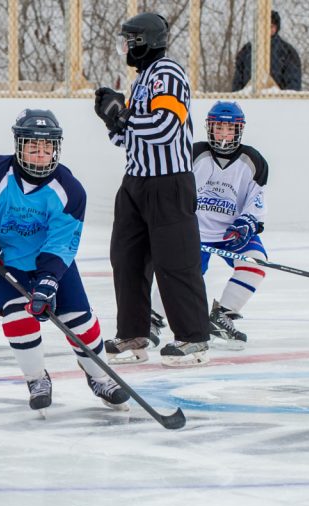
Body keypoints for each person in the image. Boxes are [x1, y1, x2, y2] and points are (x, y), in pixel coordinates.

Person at [0, 108, 130, 413]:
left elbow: (61, 242)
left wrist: (48, 280)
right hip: (4, 260)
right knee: (17, 317)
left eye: (47, 147)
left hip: (49, 258)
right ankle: (36, 379)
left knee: (79, 319)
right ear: (19, 146)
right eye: (33, 146)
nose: (41, 153)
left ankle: (100, 377)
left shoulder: (69, 190)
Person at [93, 12, 210, 367]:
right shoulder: (141, 80)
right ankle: (133, 334)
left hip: (168, 182)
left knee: (176, 262)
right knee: (126, 259)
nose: (125, 48)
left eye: (129, 41)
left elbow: (165, 127)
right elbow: (125, 139)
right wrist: (112, 118)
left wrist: (125, 117)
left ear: (144, 42)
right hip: (135, 182)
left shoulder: (167, 74)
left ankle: (193, 338)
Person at [152, 101, 268, 350]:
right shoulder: (193, 154)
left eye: (230, 129)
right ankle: (151, 318)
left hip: (231, 233)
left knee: (256, 262)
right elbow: (174, 190)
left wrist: (246, 223)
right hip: (194, 231)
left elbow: (256, 201)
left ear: (239, 130)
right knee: (177, 272)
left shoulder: (253, 161)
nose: (224, 134)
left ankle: (222, 316)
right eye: (219, 128)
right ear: (210, 128)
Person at [232, 10, 301, 91]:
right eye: (264, 26)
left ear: (276, 28)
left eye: (271, 26)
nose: (267, 29)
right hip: (251, 95)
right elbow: (238, 80)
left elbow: (293, 82)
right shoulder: (247, 50)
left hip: (278, 96)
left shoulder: (287, 51)